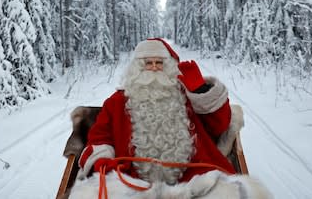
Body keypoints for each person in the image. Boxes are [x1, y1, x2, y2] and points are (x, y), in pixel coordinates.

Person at [69, 38, 271, 199]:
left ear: (170, 67)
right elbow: (99, 137)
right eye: (149, 63)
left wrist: (201, 91)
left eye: (160, 63)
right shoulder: (116, 102)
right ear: (137, 68)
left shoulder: (186, 96)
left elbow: (219, 125)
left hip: (195, 178)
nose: (155, 68)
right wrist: (105, 162)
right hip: (133, 181)